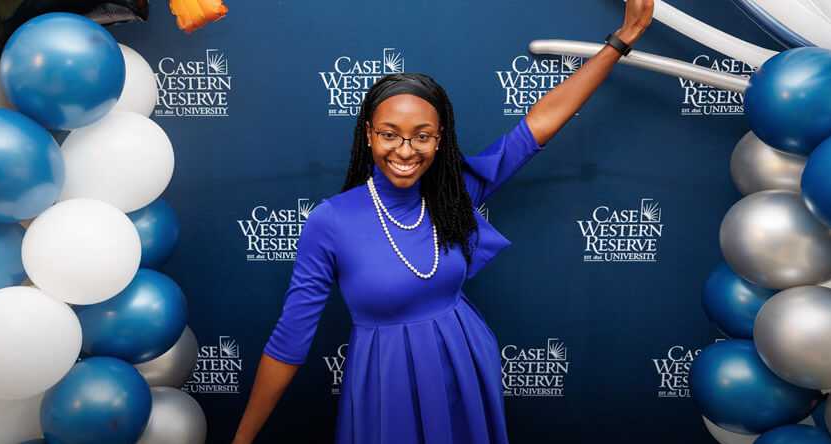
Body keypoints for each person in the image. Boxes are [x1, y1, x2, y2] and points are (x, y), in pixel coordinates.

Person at [233, 2, 654, 442]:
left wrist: (619, 42)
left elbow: (540, 124)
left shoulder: (454, 192)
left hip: (465, 365)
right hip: (386, 385)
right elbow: (290, 341)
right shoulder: (331, 221)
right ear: (369, 134)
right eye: (390, 133)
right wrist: (242, 440)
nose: (405, 149)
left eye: (422, 135)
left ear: (439, 139)